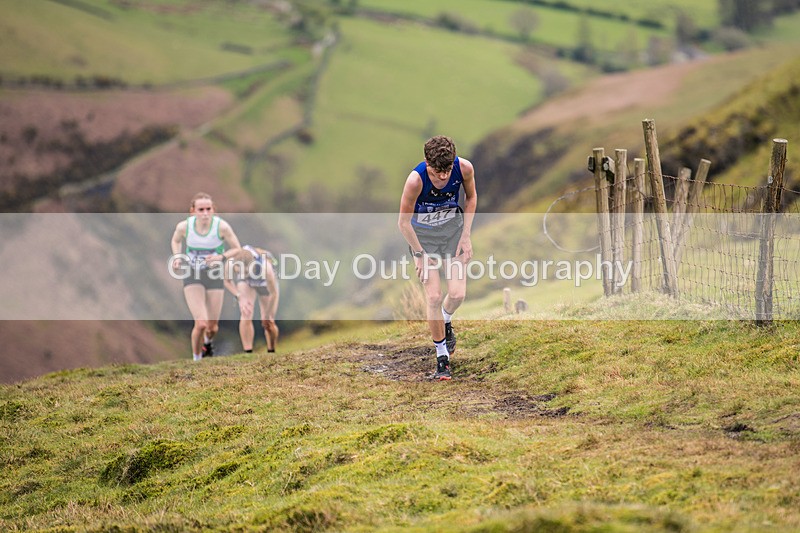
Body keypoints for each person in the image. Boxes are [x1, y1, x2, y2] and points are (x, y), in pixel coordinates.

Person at [398, 135, 477, 381]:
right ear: (426, 162)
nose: (443, 177)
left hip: (453, 234)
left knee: (457, 294)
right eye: (437, 171)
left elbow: (471, 198)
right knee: (433, 296)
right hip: (424, 240)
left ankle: (445, 321)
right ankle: (442, 358)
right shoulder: (415, 181)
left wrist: (466, 236)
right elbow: (403, 222)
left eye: (447, 170)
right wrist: (419, 255)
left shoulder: (464, 168)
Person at [170, 192, 242, 361]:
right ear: (192, 211)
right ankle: (197, 359)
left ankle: (207, 343)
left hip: (214, 275)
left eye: (208, 209)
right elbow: (175, 240)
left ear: (213, 210)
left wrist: (220, 257)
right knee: (201, 323)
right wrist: (177, 256)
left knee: (212, 327)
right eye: (200, 209)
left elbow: (237, 249)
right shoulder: (184, 227)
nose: (204, 213)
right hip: (192, 274)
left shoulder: (222, 227)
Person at [223, 245, 280, 354]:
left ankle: (271, 350)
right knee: (246, 313)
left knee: (268, 321)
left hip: (264, 283)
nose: (244, 273)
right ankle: (248, 352)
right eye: (241, 272)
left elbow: (274, 293)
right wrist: (238, 295)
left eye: (246, 272)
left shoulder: (265, 268)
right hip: (246, 283)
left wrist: (267, 314)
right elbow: (227, 281)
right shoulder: (231, 263)